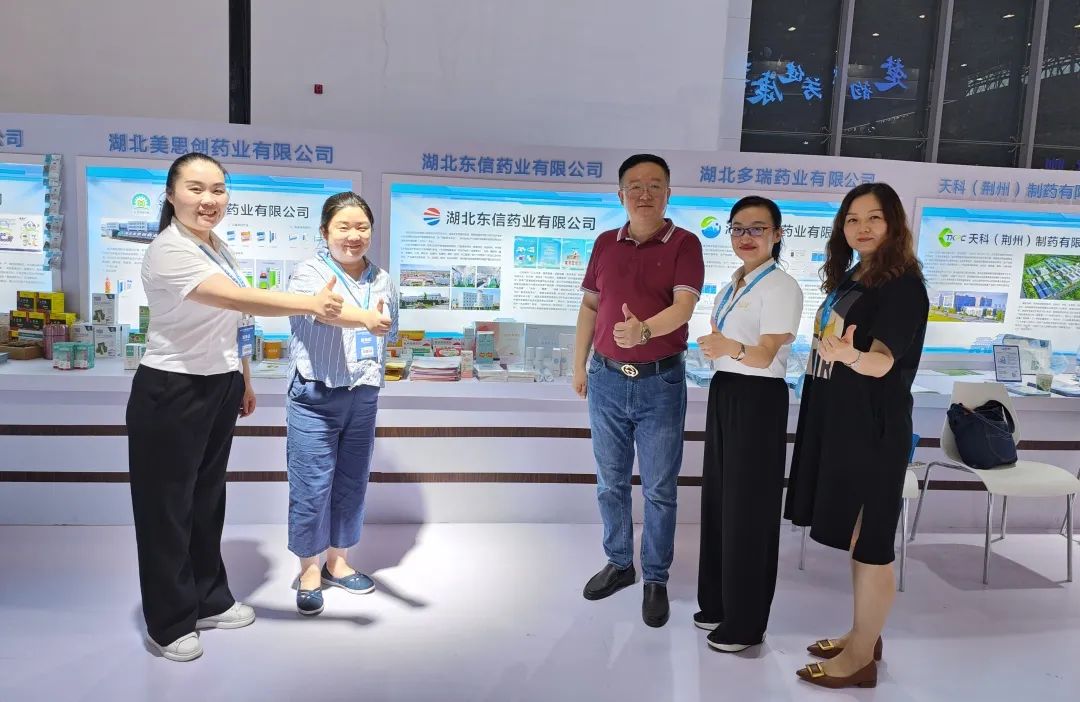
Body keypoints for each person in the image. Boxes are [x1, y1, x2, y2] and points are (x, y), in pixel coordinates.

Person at [127, 152, 345, 662]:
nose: (209, 200)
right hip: (172, 390)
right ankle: (168, 622)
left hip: (217, 385)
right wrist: (311, 303)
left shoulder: (216, 245)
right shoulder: (169, 249)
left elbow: (234, 320)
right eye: (196, 189)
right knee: (165, 510)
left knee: (207, 502)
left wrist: (242, 377)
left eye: (218, 190)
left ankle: (207, 599)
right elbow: (234, 299)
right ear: (171, 194)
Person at [784, 182, 928, 689]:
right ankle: (863, 633)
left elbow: (883, 361)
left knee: (872, 543)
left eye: (874, 217)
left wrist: (851, 356)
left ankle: (861, 658)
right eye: (852, 219)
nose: (862, 227)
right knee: (857, 536)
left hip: (874, 427)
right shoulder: (856, 275)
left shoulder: (903, 285)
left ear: (894, 224)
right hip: (841, 421)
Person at [572, 153, 705, 627]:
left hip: (660, 382)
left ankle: (656, 577)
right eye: (635, 185)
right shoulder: (605, 243)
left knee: (659, 489)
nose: (644, 193)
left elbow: (684, 307)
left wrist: (643, 331)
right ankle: (619, 562)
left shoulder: (685, 243)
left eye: (654, 185)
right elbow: (590, 307)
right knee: (610, 482)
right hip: (606, 378)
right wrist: (579, 365)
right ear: (621, 194)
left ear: (668, 193)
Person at [694, 196, 803, 652]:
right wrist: (720, 350)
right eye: (738, 228)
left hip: (758, 399)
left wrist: (728, 348)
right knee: (720, 500)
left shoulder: (781, 287)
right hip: (726, 391)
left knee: (750, 509)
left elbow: (764, 354)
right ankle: (719, 603)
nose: (746, 236)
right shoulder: (732, 285)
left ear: (777, 235)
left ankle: (746, 623)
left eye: (757, 228)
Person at [285, 192, 398, 616]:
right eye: (343, 227)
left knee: (352, 481)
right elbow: (324, 312)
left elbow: (390, 329)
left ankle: (338, 561)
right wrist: (365, 318)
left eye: (362, 227)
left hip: (363, 393)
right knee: (311, 484)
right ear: (325, 231)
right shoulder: (309, 273)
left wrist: (377, 328)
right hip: (315, 394)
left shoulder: (383, 279)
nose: (354, 236)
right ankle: (309, 569)